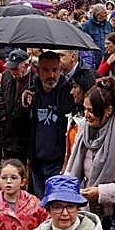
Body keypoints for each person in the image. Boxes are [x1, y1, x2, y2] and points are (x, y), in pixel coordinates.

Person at [63, 78, 115, 220]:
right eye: (85, 109)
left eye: (91, 110)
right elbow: (72, 168)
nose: (86, 115)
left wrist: (102, 192)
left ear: (108, 110)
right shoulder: (83, 132)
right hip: (88, 210)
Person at [16, 50, 73, 196]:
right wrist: (23, 105)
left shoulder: (69, 92)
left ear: (60, 70)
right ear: (38, 70)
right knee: (40, 204)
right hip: (37, 162)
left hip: (59, 162)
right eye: (46, 70)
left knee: (56, 202)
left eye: (55, 70)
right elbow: (19, 124)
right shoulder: (31, 92)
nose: (51, 75)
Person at [0, 50, 34, 160]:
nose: (12, 72)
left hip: (25, 132)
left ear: (26, 65)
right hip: (8, 130)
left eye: (15, 68)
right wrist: (3, 115)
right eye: (10, 68)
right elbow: (1, 95)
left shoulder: (35, 78)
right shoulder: (6, 75)